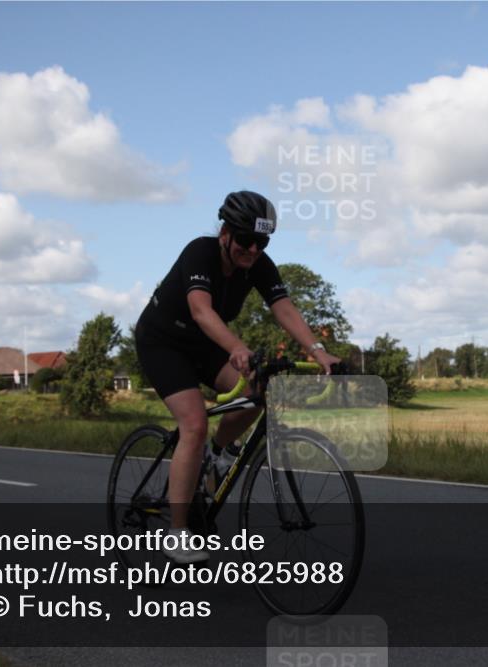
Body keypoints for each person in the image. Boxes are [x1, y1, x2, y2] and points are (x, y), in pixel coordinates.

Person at [134, 191, 341, 564]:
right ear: (226, 233)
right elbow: (200, 310)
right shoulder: (200, 252)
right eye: (245, 240)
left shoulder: (259, 265)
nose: (252, 249)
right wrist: (237, 347)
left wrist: (317, 350)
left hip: (203, 346)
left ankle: (216, 457)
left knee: (259, 390)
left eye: (261, 242)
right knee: (194, 424)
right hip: (163, 342)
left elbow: (284, 309)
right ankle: (177, 532)